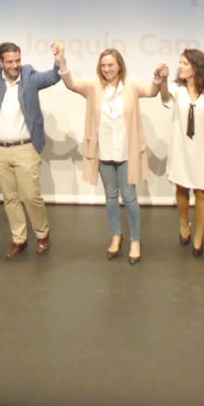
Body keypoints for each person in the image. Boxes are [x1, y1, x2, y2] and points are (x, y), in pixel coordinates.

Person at [58, 45, 167, 264]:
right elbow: (71, 84)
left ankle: (135, 240)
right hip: (104, 151)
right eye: (103, 65)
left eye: (111, 65)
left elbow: (152, 91)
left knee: (129, 197)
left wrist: (158, 77)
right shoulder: (93, 86)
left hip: (127, 151)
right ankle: (116, 235)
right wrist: (62, 62)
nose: (107, 69)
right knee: (110, 195)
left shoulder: (131, 85)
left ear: (119, 66)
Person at [0, 14, 62, 258]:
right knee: (10, 198)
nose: (15, 65)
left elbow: (53, 76)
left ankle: (42, 234)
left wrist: (59, 58)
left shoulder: (29, 77)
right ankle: (19, 238)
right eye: (10, 61)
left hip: (26, 148)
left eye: (18, 60)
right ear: (1, 62)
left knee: (31, 196)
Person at [164, 49, 204, 257]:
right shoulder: (176, 89)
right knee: (181, 187)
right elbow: (163, 96)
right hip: (181, 146)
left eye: (185, 63)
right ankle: (183, 223)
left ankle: (198, 235)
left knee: (201, 192)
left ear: (196, 66)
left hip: (203, 147)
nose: (180, 66)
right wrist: (161, 80)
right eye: (180, 63)